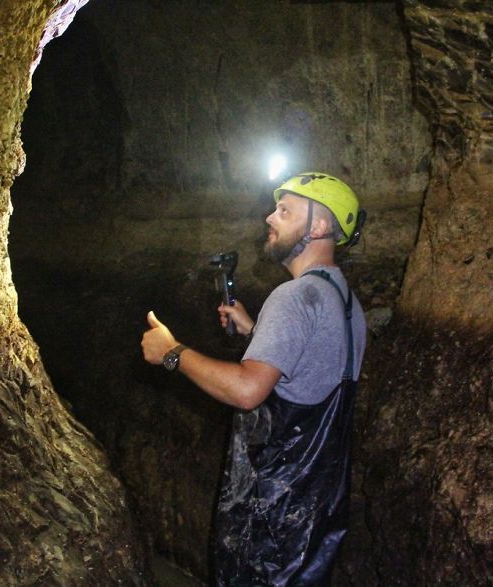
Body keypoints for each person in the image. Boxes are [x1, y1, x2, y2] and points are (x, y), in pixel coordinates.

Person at [141, 172, 367, 586]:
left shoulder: (295, 297)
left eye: (285, 210)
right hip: (316, 514)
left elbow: (248, 391)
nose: (270, 216)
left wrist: (172, 352)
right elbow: (311, 370)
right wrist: (256, 330)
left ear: (319, 226)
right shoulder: (346, 302)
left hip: (271, 522)